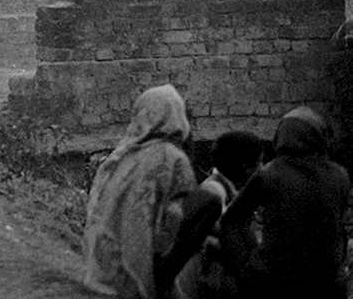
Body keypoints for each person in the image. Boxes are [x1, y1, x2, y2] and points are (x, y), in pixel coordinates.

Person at [219, 106, 350, 298]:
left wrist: (245, 267)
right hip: (326, 281)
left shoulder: (270, 174)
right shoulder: (340, 177)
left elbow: (231, 220)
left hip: (275, 280)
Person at [83, 84, 199, 299]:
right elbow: (176, 217)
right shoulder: (172, 158)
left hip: (104, 263)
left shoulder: (122, 155)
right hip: (141, 263)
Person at [176, 131, 264, 299]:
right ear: (246, 167)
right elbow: (223, 240)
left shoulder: (223, 189)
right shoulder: (215, 193)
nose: (262, 166)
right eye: (260, 160)